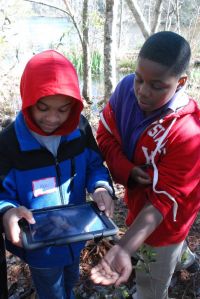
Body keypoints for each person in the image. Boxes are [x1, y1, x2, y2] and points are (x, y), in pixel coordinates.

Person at [91, 31, 200, 299]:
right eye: (139, 78)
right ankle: (184, 257)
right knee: (162, 247)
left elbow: (165, 201)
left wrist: (124, 248)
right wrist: (126, 171)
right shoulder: (126, 90)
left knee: (151, 284)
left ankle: (172, 257)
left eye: (156, 85)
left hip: (169, 219)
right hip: (140, 203)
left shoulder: (189, 132)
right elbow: (104, 134)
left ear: (181, 82)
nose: (142, 91)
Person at [0, 50, 115, 299]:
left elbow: (95, 166)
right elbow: (1, 193)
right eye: (42, 108)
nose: (53, 118)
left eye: (63, 109)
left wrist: (101, 188)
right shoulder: (8, 143)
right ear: (27, 100)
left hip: (77, 236)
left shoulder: (80, 129)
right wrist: (8, 211)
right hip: (42, 248)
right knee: (51, 289)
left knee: (71, 280)